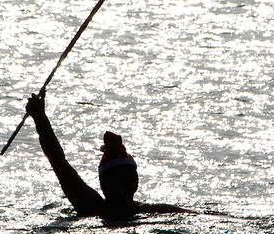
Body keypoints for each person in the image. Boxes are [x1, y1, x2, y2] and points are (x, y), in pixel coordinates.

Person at [25, 93, 190, 219]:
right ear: (135, 182)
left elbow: (58, 161)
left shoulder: (91, 207)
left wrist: (40, 117)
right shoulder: (160, 211)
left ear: (104, 183)